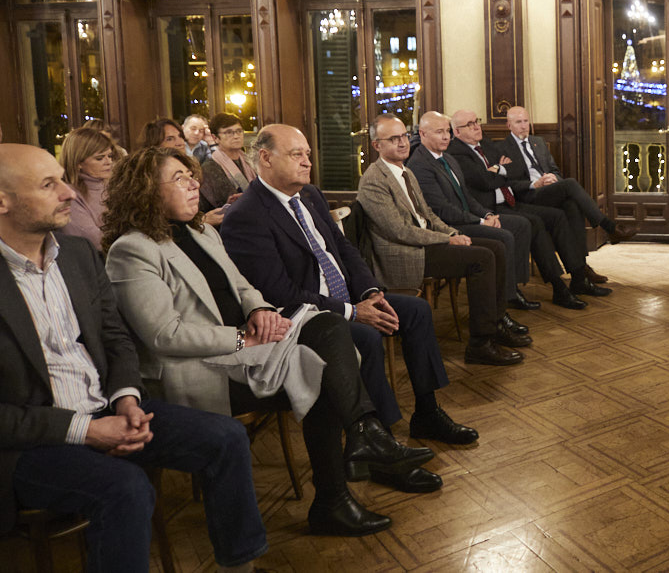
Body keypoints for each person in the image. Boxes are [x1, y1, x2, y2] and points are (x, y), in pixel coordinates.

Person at [103, 147, 433, 535]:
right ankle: (340, 488)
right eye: (180, 178)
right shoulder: (132, 249)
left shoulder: (201, 230)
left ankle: (362, 439)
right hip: (201, 367)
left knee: (328, 327)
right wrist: (242, 339)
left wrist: (259, 310)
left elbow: (243, 287)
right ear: (145, 191)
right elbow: (165, 335)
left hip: (247, 346)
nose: (195, 184)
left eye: (193, 176)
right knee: (323, 375)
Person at [0, 143, 266, 572]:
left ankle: (239, 565)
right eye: (50, 184)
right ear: (3, 200)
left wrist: (126, 398)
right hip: (30, 443)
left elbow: (116, 340)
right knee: (127, 488)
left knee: (225, 438)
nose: (70, 192)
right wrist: (87, 429)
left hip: (108, 408)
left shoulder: (75, 256)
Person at [219, 124, 479, 453]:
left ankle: (427, 412)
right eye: (296, 154)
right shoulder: (247, 216)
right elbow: (280, 293)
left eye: (308, 155)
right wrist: (353, 312)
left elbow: (345, 251)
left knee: (416, 311)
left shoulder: (309, 196)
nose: (307, 162)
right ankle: (378, 441)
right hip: (306, 319)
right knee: (367, 337)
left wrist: (370, 292)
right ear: (266, 159)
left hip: (351, 300)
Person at [358, 114, 530, 365]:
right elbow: (400, 231)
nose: (403, 143)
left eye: (404, 136)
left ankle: (495, 324)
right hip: (407, 253)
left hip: (425, 242)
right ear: (377, 145)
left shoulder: (404, 170)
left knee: (495, 247)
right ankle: (480, 344)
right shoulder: (374, 180)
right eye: (393, 139)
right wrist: (445, 239)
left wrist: (451, 233)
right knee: (482, 257)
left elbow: (427, 214)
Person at [407, 112, 577, 310]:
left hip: (482, 210)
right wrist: (480, 220)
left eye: (447, 131)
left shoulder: (449, 158)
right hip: (452, 225)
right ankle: (507, 298)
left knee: (531, 222)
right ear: (423, 134)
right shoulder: (427, 162)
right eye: (440, 132)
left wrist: (485, 214)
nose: (446, 136)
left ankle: (529, 287)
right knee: (507, 234)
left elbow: (473, 193)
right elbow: (443, 208)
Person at [447, 109, 605, 303]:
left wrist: (496, 170)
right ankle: (557, 286)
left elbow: (516, 169)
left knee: (558, 215)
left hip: (509, 201)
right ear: (457, 132)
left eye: (476, 121)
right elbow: (485, 182)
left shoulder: (486, 143)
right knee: (533, 223)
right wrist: (501, 170)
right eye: (469, 125)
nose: (476, 126)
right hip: (490, 209)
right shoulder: (456, 152)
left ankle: (578, 276)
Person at [496, 105, 639, 251]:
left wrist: (554, 178)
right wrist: (535, 184)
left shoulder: (538, 142)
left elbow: (554, 170)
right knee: (570, 184)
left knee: (572, 205)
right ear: (509, 125)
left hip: (548, 190)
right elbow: (509, 183)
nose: (523, 126)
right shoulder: (502, 148)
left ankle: (581, 268)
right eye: (518, 122)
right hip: (528, 195)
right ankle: (609, 227)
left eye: (526, 121)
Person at [58, 126, 119, 250]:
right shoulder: (69, 194)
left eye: (110, 156)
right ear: (78, 162)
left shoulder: (113, 185)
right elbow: (95, 242)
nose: (108, 162)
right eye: (100, 158)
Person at [199, 113, 255, 213]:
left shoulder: (250, 161)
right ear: (215, 137)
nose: (236, 136)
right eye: (229, 132)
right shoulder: (209, 168)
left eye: (239, 131)